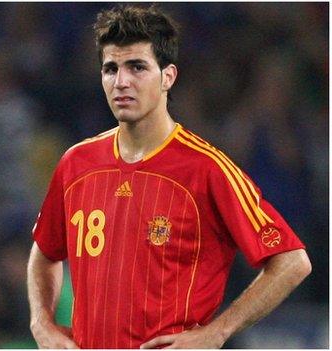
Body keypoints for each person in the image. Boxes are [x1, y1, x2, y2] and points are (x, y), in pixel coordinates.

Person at [26, 4, 311, 349]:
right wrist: (42, 324)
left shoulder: (206, 168)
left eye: (137, 67)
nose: (121, 82)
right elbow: (45, 252)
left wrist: (217, 332)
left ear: (168, 76)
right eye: (111, 68)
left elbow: (292, 262)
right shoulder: (77, 163)